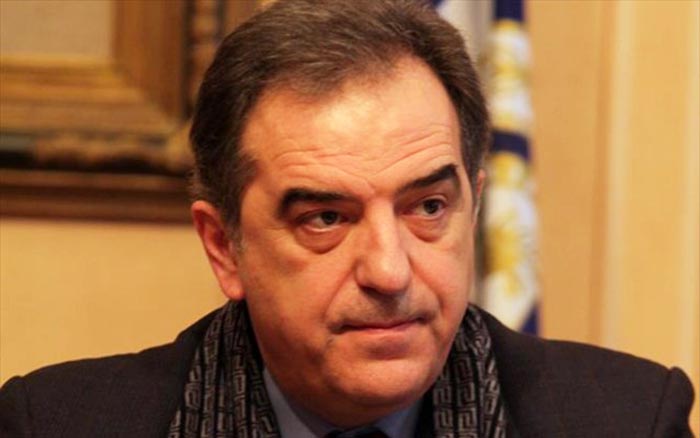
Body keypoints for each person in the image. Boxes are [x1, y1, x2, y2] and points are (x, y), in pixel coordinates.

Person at [0, 0, 694, 437]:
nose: (390, 272)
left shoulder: (627, 418)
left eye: (428, 208)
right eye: (326, 218)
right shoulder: (57, 424)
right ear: (224, 247)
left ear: (474, 205)